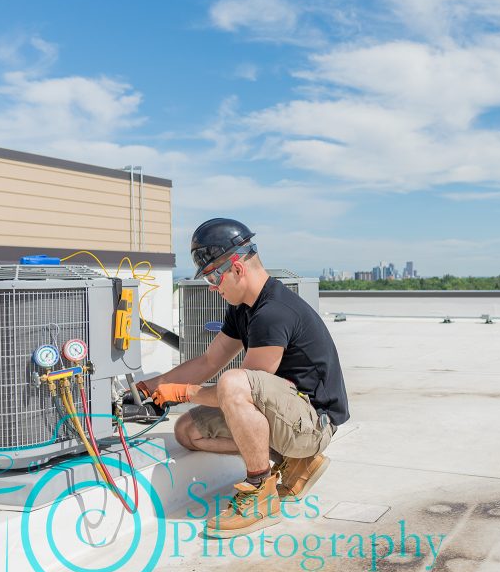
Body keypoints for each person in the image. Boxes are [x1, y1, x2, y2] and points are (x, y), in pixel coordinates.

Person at [138, 218, 349, 538]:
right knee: (188, 431)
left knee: (234, 382)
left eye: (212, 275)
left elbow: (241, 390)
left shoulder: (272, 312)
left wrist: (181, 393)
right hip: (287, 417)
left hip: (311, 425)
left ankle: (259, 491)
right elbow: (210, 360)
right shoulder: (243, 308)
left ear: (236, 268)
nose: (211, 286)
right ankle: (296, 462)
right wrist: (153, 387)